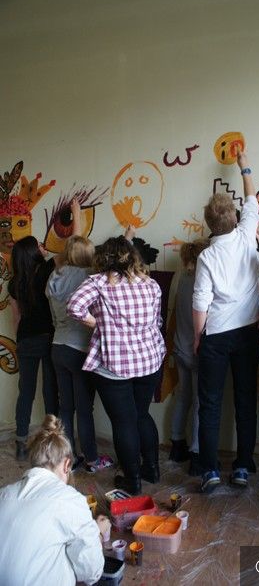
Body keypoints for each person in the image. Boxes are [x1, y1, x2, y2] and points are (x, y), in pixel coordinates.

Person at [67, 236, 166, 494]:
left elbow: (74, 307)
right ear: (132, 257)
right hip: (149, 361)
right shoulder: (150, 284)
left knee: (124, 422)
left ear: (103, 258)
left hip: (114, 365)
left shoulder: (98, 282)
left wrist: (98, 324)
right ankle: (152, 470)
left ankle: (133, 481)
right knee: (142, 414)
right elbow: (157, 321)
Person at [193, 148, 259, 493]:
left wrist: (198, 337)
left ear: (209, 223)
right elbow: (253, 202)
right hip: (247, 333)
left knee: (210, 404)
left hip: (216, 335)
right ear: (234, 217)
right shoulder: (247, 236)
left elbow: (200, 302)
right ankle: (243, 467)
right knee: (246, 401)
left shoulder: (206, 256)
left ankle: (210, 471)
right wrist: (244, 166)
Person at [0, 415, 108, 586]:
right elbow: (91, 573)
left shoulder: (4, 494)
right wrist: (98, 534)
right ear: (66, 465)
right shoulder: (70, 500)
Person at [46, 231, 113, 473]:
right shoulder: (90, 276)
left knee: (65, 407)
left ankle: (69, 460)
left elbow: (54, 318)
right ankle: (92, 459)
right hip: (80, 350)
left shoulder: (55, 275)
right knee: (84, 409)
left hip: (57, 346)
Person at [8, 236, 59, 461]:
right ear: (32, 252)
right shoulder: (46, 270)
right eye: (38, 245)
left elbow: (16, 319)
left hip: (25, 340)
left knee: (25, 392)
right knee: (50, 391)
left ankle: (21, 443)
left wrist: (20, 342)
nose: (43, 247)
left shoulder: (14, 283)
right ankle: (51, 441)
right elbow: (71, 249)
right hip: (47, 338)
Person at [169, 238, 210, 475]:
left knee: (183, 397)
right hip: (197, 350)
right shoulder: (202, 280)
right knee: (199, 402)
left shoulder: (182, 278)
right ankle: (196, 452)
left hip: (179, 347)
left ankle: (177, 444)